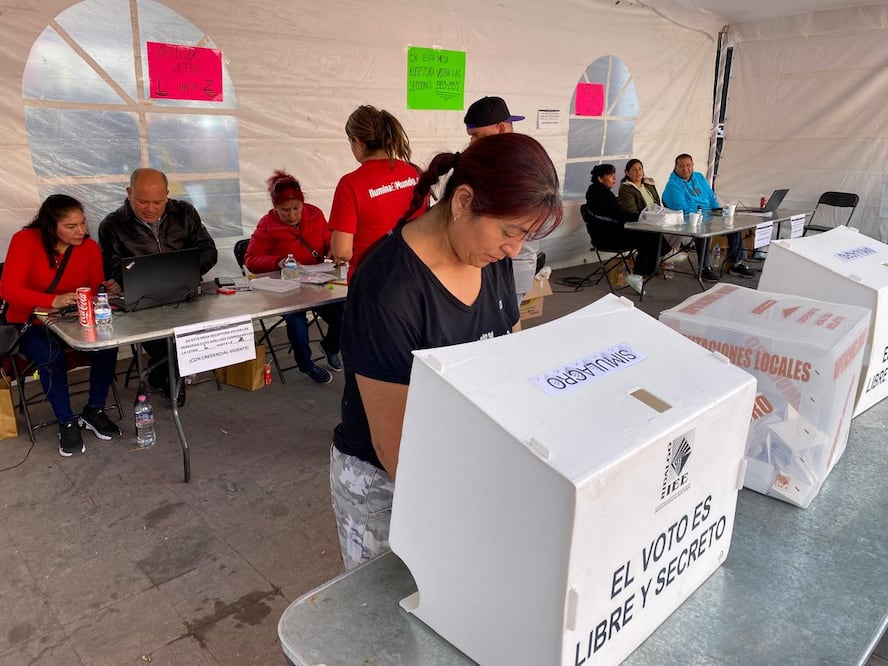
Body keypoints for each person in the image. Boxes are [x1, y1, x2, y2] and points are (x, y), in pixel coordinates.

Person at [329, 133, 563, 570]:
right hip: (391, 482)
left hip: (471, 461)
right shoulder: (389, 289)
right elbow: (394, 445)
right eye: (509, 231)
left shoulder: (490, 259)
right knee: (395, 599)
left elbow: (510, 363)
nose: (514, 250)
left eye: (525, 236)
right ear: (463, 201)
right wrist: (468, 516)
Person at [0, 194, 121, 456]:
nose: (81, 231)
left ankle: (94, 410)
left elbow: (94, 288)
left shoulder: (88, 248)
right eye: (71, 226)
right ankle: (66, 421)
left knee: (108, 345)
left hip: (72, 318)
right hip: (29, 321)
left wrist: (107, 289)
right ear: (50, 225)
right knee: (51, 355)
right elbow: (8, 290)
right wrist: (52, 300)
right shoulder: (25, 241)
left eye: (83, 223)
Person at [98, 168, 218, 405]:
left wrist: (185, 273)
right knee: (160, 338)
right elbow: (113, 270)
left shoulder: (184, 212)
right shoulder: (112, 225)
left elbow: (208, 251)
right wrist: (124, 281)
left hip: (185, 293)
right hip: (143, 302)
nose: (150, 209)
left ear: (167, 195)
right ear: (129, 193)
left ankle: (164, 374)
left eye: (158, 202)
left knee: (211, 328)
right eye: (142, 201)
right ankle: (169, 375)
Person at [244, 171, 343, 384]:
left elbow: (329, 240)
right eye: (285, 210)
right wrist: (277, 261)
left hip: (318, 283)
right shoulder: (267, 224)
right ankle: (306, 365)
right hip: (286, 289)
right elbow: (251, 259)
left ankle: (330, 346)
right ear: (275, 207)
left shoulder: (315, 214)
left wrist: (334, 251)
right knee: (296, 321)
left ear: (302, 203)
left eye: (296, 208)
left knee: (345, 313)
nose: (292, 215)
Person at [328, 105, 422, 282]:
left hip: (372, 281)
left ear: (357, 142)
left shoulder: (351, 184)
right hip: (414, 277)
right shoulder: (414, 173)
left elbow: (341, 251)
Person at [464, 95, 540, 305]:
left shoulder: (519, 165)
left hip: (512, 267)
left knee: (504, 320)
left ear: (501, 128)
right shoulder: (502, 161)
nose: (472, 142)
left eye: (477, 135)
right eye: (471, 136)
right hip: (494, 265)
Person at [661, 154, 754, 282]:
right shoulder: (673, 186)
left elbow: (711, 197)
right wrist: (706, 217)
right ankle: (705, 268)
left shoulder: (699, 177)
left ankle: (737, 264)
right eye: (681, 166)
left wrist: (718, 212)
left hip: (709, 216)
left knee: (733, 226)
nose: (685, 169)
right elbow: (684, 212)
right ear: (675, 167)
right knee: (704, 230)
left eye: (688, 165)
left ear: (693, 165)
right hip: (688, 223)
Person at [585, 163, 668, 293]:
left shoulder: (600, 192)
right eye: (610, 176)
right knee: (649, 236)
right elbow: (619, 214)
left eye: (614, 175)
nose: (614, 178)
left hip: (611, 232)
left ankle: (659, 259)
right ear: (600, 179)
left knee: (650, 235)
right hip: (607, 237)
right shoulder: (600, 194)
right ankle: (645, 269)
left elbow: (617, 214)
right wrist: (641, 217)